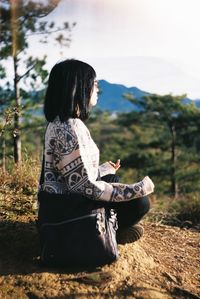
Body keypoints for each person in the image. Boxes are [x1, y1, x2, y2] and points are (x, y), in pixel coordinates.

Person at [37, 59, 154, 248]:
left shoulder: (61, 122)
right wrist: (136, 189)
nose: (97, 88)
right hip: (67, 211)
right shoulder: (69, 128)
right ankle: (107, 231)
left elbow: (69, 175)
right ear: (78, 87)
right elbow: (83, 187)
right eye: (95, 83)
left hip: (59, 203)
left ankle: (112, 227)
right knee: (140, 203)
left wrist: (103, 169)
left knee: (112, 176)